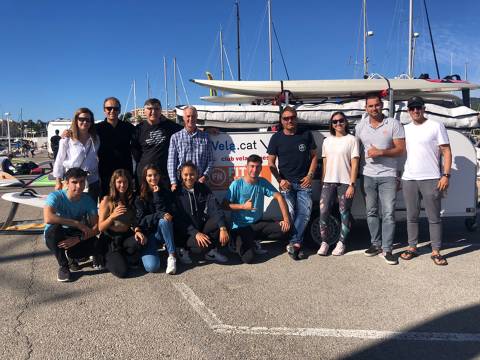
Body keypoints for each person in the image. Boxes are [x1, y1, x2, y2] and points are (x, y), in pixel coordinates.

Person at [400, 96, 452, 266]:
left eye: (418, 107)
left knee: (434, 217)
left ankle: (436, 251)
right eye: (412, 108)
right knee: (412, 216)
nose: (416, 111)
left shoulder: (436, 126)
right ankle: (412, 247)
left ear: (424, 108)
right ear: (408, 111)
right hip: (409, 178)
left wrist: (446, 175)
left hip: (431, 178)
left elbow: (446, 151)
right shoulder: (404, 129)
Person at [355, 94, 405, 265]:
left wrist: (381, 152)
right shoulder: (360, 127)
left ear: (381, 105)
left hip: (388, 175)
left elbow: (400, 150)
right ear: (366, 108)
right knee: (371, 212)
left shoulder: (393, 124)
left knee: (389, 213)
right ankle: (375, 244)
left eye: (377, 105)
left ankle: (387, 249)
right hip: (367, 175)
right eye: (370, 106)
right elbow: (355, 151)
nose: (374, 108)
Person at [267, 106, 318, 260]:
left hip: (304, 183)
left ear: (296, 118)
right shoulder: (276, 138)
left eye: (292, 117)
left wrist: (310, 176)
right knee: (290, 214)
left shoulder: (306, 134)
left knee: (305, 213)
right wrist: (280, 180)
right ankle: (298, 244)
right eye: (286, 118)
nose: (290, 120)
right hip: (286, 184)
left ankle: (295, 243)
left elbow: (315, 157)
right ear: (281, 121)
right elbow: (270, 162)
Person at [223, 154, 291, 264]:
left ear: (260, 168)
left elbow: (279, 197)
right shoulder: (236, 184)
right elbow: (224, 205)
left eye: (257, 167)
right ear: (247, 167)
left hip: (257, 224)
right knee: (248, 258)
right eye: (252, 166)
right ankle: (235, 242)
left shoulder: (262, 182)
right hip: (240, 227)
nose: (254, 170)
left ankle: (253, 241)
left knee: (286, 228)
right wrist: (243, 206)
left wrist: (286, 219)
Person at [43, 168, 101, 282]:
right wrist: (76, 223)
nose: (79, 186)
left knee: (96, 244)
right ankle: (64, 266)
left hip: (75, 233)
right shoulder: (55, 196)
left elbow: (97, 227)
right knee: (53, 229)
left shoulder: (88, 200)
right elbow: (48, 218)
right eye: (74, 182)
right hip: (58, 235)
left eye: (82, 182)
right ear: (66, 183)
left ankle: (73, 256)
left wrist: (79, 238)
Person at [317, 112, 359, 256]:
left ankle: (341, 243)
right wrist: (322, 181)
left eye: (341, 121)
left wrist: (352, 184)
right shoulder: (327, 141)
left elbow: (355, 164)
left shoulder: (352, 140)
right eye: (335, 122)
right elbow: (325, 162)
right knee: (323, 212)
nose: (338, 124)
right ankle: (325, 242)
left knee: (344, 213)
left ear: (346, 122)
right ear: (331, 124)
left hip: (345, 182)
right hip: (328, 182)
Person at [172, 161, 229, 264]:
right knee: (201, 247)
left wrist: (222, 227)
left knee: (221, 221)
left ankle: (210, 253)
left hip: (200, 228)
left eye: (192, 174)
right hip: (185, 233)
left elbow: (215, 207)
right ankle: (182, 249)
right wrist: (195, 233)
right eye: (186, 174)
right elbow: (177, 220)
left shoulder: (202, 188)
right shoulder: (177, 193)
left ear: (197, 174)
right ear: (181, 174)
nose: (189, 177)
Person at [98, 169, 143, 278]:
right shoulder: (107, 200)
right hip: (111, 238)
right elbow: (100, 227)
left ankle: (124, 255)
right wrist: (112, 216)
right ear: (114, 183)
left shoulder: (131, 199)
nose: (122, 185)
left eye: (125, 182)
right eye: (119, 182)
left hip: (126, 236)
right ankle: (105, 257)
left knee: (139, 242)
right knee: (122, 272)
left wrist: (137, 231)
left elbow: (134, 220)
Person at [135, 164, 177, 274]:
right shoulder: (139, 196)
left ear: (159, 176)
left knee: (164, 221)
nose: (153, 178)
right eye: (149, 175)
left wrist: (157, 195)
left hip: (162, 232)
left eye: (155, 175)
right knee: (152, 267)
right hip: (148, 235)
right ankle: (147, 254)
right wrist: (158, 215)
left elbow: (167, 215)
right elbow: (142, 221)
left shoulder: (166, 192)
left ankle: (171, 256)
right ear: (145, 177)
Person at [53, 108, 101, 203]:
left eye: (88, 120)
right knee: (72, 212)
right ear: (76, 120)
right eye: (81, 119)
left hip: (92, 181)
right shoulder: (66, 140)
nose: (85, 122)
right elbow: (59, 161)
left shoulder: (95, 139)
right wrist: (58, 182)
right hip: (73, 182)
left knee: (91, 211)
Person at [131, 98, 182, 186]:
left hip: (164, 175)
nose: (153, 112)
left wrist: (208, 130)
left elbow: (187, 130)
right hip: (144, 174)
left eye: (157, 109)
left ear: (160, 111)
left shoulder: (170, 126)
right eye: (150, 109)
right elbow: (135, 153)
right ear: (144, 111)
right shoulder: (138, 129)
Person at [96, 97, 136, 197]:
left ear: (119, 110)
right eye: (109, 108)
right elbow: (81, 133)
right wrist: (68, 133)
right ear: (104, 110)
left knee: (126, 202)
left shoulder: (128, 127)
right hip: (105, 173)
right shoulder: (97, 128)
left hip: (125, 171)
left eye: (115, 108)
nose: (112, 111)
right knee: (106, 201)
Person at [167, 106, 214, 192]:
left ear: (196, 117)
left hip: (200, 182)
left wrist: (205, 176)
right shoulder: (175, 137)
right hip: (181, 183)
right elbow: (171, 162)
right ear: (184, 118)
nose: (191, 118)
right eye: (188, 116)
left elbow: (211, 160)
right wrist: (173, 182)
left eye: (193, 116)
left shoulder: (206, 137)